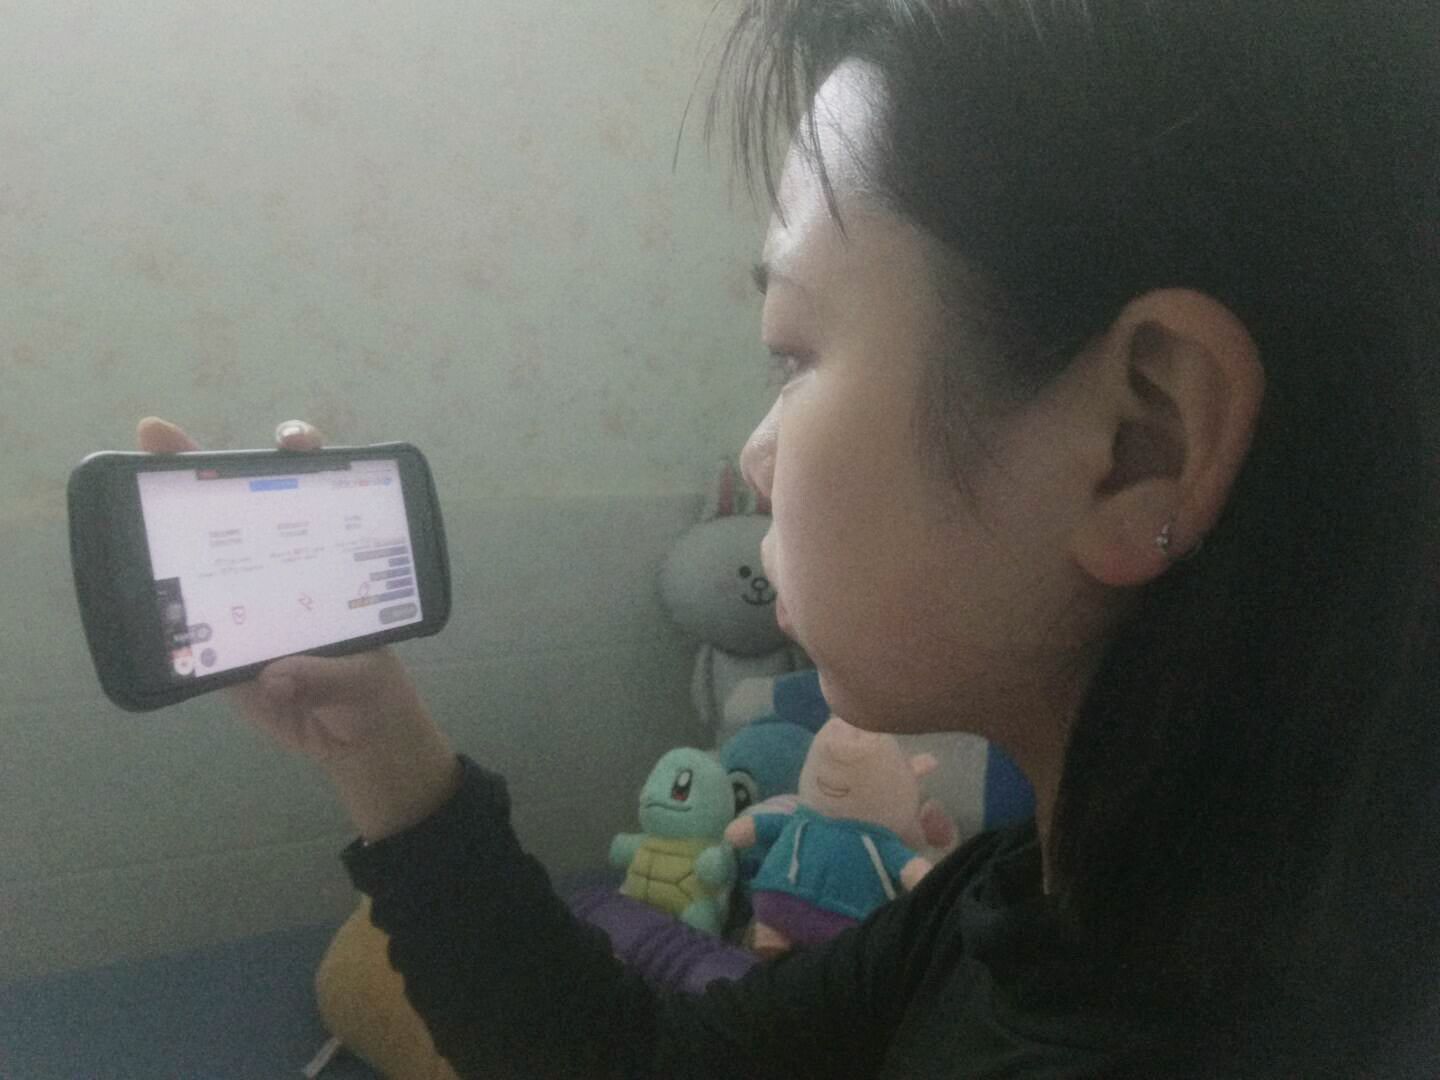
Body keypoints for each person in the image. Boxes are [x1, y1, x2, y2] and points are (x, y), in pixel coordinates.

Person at [138, 0, 1440, 1075]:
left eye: (794, 350)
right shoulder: (1050, 899)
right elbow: (640, 1062)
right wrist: (377, 742)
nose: (757, 454)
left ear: (1141, 440)